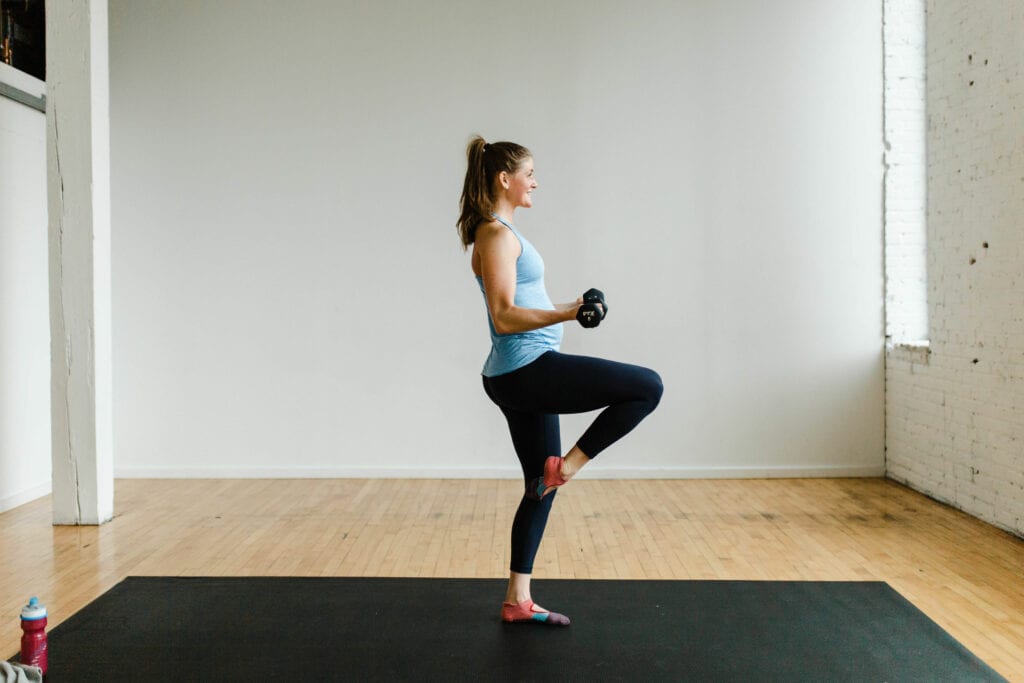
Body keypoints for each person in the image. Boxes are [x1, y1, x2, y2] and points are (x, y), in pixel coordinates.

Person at [456, 136, 664, 626]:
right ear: (504, 179)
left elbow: (520, 301)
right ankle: (568, 466)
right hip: (526, 371)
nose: (535, 182)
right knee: (647, 386)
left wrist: (570, 305)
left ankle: (517, 600)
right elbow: (504, 316)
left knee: (538, 487)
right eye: (529, 173)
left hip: (519, 371)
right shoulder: (495, 235)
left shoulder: (502, 232)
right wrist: (566, 312)